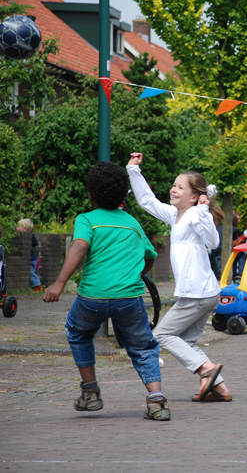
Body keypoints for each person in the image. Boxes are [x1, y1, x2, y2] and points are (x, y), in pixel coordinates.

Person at [42, 161, 170, 421]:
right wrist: (137, 273)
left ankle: (90, 393)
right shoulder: (133, 223)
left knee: (78, 332)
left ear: (90, 194)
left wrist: (59, 283)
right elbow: (150, 256)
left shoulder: (87, 220)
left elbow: (79, 246)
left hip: (92, 297)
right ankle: (156, 400)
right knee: (143, 346)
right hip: (129, 298)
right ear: (123, 196)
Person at [127, 153, 232, 403]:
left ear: (194, 196)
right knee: (185, 342)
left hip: (197, 294)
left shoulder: (196, 214)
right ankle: (219, 388)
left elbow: (213, 241)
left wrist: (205, 210)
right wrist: (133, 171)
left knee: (161, 335)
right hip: (201, 293)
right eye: (174, 185)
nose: (173, 190)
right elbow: (147, 201)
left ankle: (206, 369)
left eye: (180, 187)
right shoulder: (175, 215)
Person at [16, 218, 42, 292]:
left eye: (19, 227)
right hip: (31, 258)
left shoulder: (30, 235)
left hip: (32, 258)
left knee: (31, 272)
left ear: (25, 228)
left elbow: (35, 243)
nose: (17, 228)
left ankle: (38, 285)